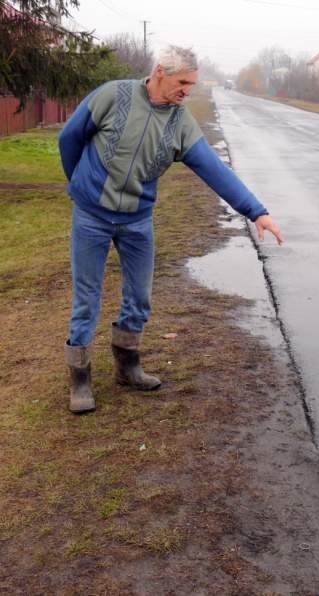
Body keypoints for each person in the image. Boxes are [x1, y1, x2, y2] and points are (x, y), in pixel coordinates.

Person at [59, 45, 283, 414]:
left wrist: (256, 212)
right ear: (160, 71)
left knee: (140, 295)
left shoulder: (180, 121)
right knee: (87, 297)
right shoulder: (112, 95)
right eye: (182, 82)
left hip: (137, 220)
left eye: (192, 85)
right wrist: (81, 185)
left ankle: (127, 367)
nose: (187, 91)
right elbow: (70, 138)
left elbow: (214, 170)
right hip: (91, 216)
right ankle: (79, 379)